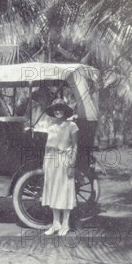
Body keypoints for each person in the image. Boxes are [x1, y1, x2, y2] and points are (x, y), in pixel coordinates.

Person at [41, 99, 79, 236]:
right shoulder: (50, 126)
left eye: (60, 109)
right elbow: (47, 146)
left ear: (65, 111)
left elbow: (75, 146)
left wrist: (72, 165)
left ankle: (65, 224)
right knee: (53, 191)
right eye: (56, 109)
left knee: (65, 191)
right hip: (51, 160)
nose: (58, 112)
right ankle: (55, 223)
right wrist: (45, 164)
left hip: (64, 160)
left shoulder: (72, 125)